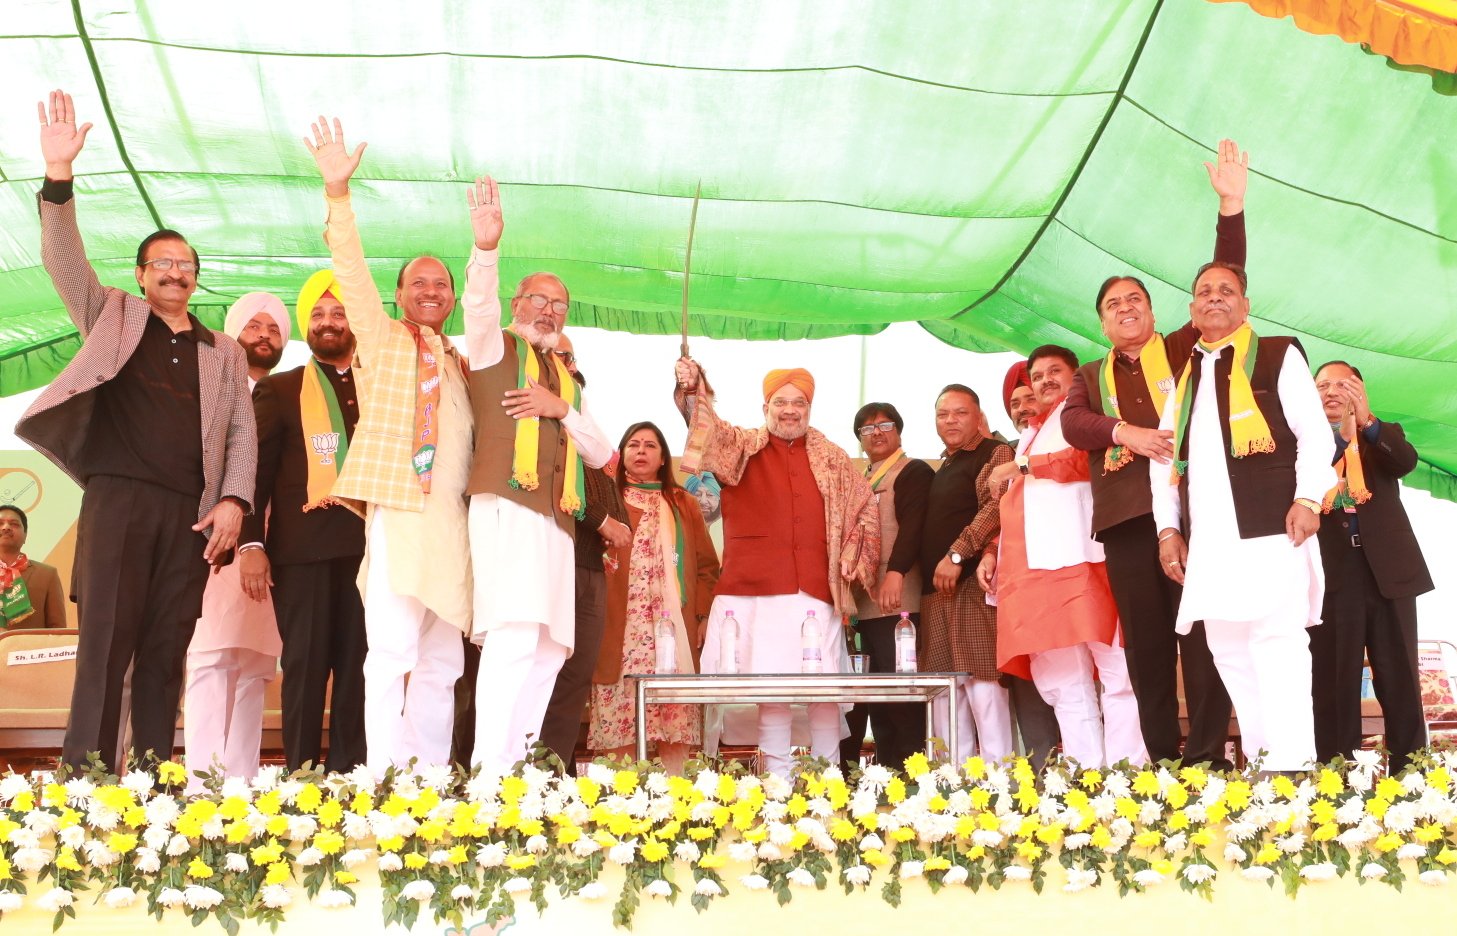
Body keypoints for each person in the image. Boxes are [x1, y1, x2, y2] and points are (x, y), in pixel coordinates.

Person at [19, 91, 255, 772]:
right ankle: (88, 787)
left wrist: (233, 502)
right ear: (142, 274)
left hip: (190, 514)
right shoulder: (114, 314)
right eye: (163, 263)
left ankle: (151, 789)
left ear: (195, 278)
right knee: (104, 647)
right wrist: (58, 177)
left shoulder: (224, 351)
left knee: (164, 649)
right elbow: (64, 262)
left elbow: (241, 433)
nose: (176, 272)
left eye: (186, 264)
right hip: (118, 500)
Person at [1061, 140, 1248, 769]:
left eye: (1133, 300)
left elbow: (1225, 288)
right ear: (1103, 322)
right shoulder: (1089, 374)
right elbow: (1073, 424)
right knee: (1144, 645)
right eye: (1112, 305)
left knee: (1200, 632)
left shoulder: (1183, 348)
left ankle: (1206, 755)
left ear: (1153, 309)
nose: (1125, 309)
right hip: (1124, 523)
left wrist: (1231, 206)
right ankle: (1162, 759)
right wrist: (1129, 434)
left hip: (1194, 515)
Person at [307, 117, 473, 771]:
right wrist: (337, 195)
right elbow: (348, 270)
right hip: (402, 512)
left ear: (453, 299)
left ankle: (428, 780)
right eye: (418, 284)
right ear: (401, 295)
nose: (430, 291)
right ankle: (382, 779)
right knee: (392, 656)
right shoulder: (380, 338)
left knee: (442, 662)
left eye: (442, 284)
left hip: (453, 525)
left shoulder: (461, 361)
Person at [1151, 262, 1334, 773]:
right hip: (1210, 539)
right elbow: (1164, 459)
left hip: (1274, 528)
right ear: (1191, 310)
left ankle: (1294, 768)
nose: (1215, 298)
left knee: (1278, 642)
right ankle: (1264, 763)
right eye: (1204, 292)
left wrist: (1307, 497)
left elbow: (1315, 434)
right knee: (1228, 649)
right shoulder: (1183, 379)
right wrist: (1168, 527)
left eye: (1226, 290)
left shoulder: (1276, 355)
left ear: (1245, 305)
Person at [459, 179, 614, 775]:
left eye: (559, 305)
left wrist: (559, 409)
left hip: (556, 521)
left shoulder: (564, 378)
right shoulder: (494, 348)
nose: (548, 311)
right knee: (515, 637)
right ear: (518, 305)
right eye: (538, 300)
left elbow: (600, 451)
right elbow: (477, 305)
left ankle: (519, 776)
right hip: (506, 506)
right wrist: (486, 249)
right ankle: (488, 779)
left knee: (550, 649)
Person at [674, 360, 880, 776]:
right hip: (753, 591)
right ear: (765, 406)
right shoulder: (742, 447)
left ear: (810, 407)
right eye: (781, 402)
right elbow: (707, 429)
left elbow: (866, 510)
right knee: (773, 694)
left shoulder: (834, 459)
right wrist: (693, 388)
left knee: (824, 693)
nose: (790, 410)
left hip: (815, 593)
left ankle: (828, 786)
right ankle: (777, 788)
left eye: (799, 402)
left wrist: (853, 553)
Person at [983, 346, 1146, 768]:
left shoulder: (1084, 415)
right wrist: (991, 552)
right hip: (1036, 574)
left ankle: (1128, 775)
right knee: (1063, 682)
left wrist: (1019, 468)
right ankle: (1088, 778)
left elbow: (1078, 462)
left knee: (1117, 673)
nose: (1044, 381)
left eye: (1054, 371)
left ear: (1076, 376)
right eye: (1036, 376)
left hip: (1086, 562)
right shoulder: (1031, 432)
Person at [238, 271, 369, 773]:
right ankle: (300, 780)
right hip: (302, 556)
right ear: (305, 326)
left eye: (339, 313)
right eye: (318, 314)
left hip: (370, 553)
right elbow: (253, 476)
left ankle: (351, 777)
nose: (329, 323)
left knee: (360, 670)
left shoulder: (379, 389)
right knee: (305, 668)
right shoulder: (280, 388)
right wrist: (252, 546)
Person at [182, 293, 289, 788]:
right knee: (211, 658)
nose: (264, 334)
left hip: (273, 544)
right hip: (215, 542)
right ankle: (203, 789)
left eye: (273, 328)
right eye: (254, 325)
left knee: (255, 667)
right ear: (233, 332)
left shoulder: (293, 396)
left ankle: (243, 791)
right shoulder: (210, 387)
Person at [1310, 361, 1433, 772]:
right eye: (1321, 384)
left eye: (1341, 385)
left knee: (1399, 680)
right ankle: (1336, 781)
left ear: (1359, 390)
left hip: (1390, 574)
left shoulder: (1383, 433)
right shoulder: (1302, 441)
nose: (1330, 391)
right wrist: (1335, 437)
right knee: (1334, 684)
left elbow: (1405, 462)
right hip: (1331, 578)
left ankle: (1410, 780)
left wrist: (1365, 421)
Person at [590, 422, 720, 774]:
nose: (641, 451)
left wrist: (703, 617)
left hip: (671, 630)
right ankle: (622, 807)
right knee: (621, 717)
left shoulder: (683, 503)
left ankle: (676, 805)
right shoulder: (605, 499)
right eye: (633, 445)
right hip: (621, 627)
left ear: (663, 458)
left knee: (673, 720)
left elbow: (707, 568)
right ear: (622, 454)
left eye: (650, 445)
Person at [538, 334, 633, 774]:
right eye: (555, 355)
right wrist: (602, 522)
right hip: (550, 557)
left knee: (576, 676)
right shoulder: (534, 415)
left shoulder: (583, 420)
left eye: (569, 356)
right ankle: (517, 777)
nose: (564, 363)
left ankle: (553, 774)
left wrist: (617, 524)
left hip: (590, 565)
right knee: (538, 670)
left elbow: (601, 476)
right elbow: (547, 479)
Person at [916, 386, 1013, 761]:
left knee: (984, 688)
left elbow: (996, 507)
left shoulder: (995, 452)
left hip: (975, 585)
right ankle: (952, 786)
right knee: (945, 691)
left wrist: (956, 555)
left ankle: (1001, 784)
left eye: (960, 413)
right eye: (943, 414)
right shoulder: (946, 464)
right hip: (935, 594)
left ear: (978, 417)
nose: (951, 421)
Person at [840, 403, 933, 772]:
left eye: (884, 425)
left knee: (901, 696)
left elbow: (914, 526)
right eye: (866, 429)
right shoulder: (862, 477)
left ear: (899, 430)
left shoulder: (912, 471)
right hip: (865, 604)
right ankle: (884, 775)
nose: (876, 433)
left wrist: (896, 572)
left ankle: (911, 778)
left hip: (898, 601)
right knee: (874, 698)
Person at [997, 364, 1061, 769]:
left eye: (1029, 399)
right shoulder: (1013, 450)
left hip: (1060, 579)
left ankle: (1081, 780)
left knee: (1069, 685)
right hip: (1017, 583)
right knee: (1030, 680)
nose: (1023, 409)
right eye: (1014, 403)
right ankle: (1042, 778)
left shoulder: (1064, 435)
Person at [0, 505, 66, 630]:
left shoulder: (47, 574)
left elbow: (57, 630)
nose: (6, 527)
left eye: (14, 524)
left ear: (25, 536)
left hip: (27, 649)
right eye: (0, 523)